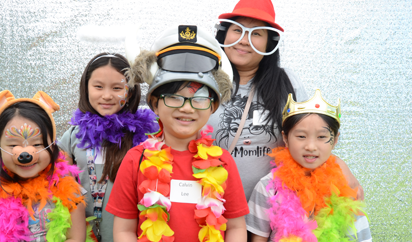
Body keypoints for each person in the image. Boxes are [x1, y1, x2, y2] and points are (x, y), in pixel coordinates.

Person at [207, 0, 363, 201]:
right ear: (224, 34)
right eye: (238, 30)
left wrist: (341, 167)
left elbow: (311, 135)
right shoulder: (202, 81)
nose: (244, 40)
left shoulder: (287, 83)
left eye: (256, 33)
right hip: (211, 206)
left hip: (273, 207)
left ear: (269, 43)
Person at [106, 25, 249, 242]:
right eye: (174, 97)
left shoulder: (223, 162)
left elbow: (236, 227)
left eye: (199, 98)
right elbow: (124, 230)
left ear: (212, 107)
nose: (186, 108)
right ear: (154, 104)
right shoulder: (136, 159)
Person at [58, 53, 159, 242]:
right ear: (85, 88)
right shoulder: (72, 136)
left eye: (117, 88)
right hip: (84, 234)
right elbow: (58, 186)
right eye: (98, 86)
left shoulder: (146, 136)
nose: (106, 95)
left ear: (130, 91)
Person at [247, 89, 371, 241]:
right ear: (285, 138)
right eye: (301, 136)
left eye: (321, 137)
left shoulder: (346, 189)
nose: (311, 146)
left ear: (335, 139)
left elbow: (362, 238)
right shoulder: (268, 187)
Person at [0, 90, 87, 242]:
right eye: (13, 144)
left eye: (37, 144)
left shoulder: (69, 193)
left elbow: (76, 238)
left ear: (52, 146)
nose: (25, 154)